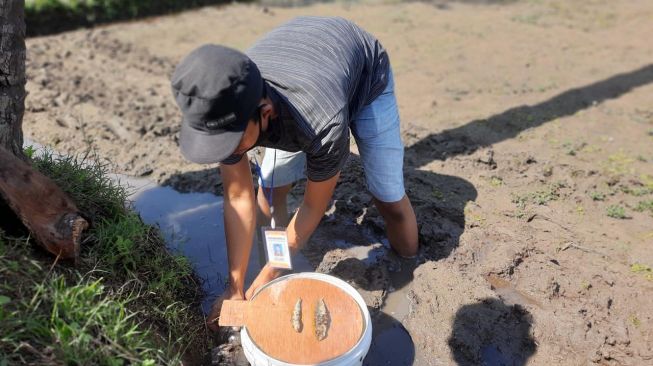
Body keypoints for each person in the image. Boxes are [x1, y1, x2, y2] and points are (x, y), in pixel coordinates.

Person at [171, 16, 418, 330]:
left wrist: (267, 277)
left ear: (265, 112)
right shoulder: (224, 101)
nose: (226, 151)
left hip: (365, 75)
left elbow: (314, 206)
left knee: (389, 198)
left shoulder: (320, 124)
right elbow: (238, 197)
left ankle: (409, 268)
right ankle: (272, 256)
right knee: (270, 191)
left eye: (230, 141)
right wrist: (235, 287)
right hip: (302, 63)